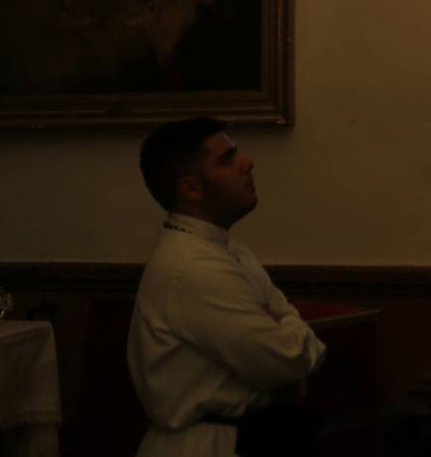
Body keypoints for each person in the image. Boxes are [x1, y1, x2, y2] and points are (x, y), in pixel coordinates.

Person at [128, 117, 326, 457]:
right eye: (227, 158)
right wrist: (286, 325)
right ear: (191, 188)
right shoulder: (193, 267)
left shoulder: (228, 251)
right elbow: (284, 360)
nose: (247, 163)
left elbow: (290, 344)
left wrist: (284, 325)